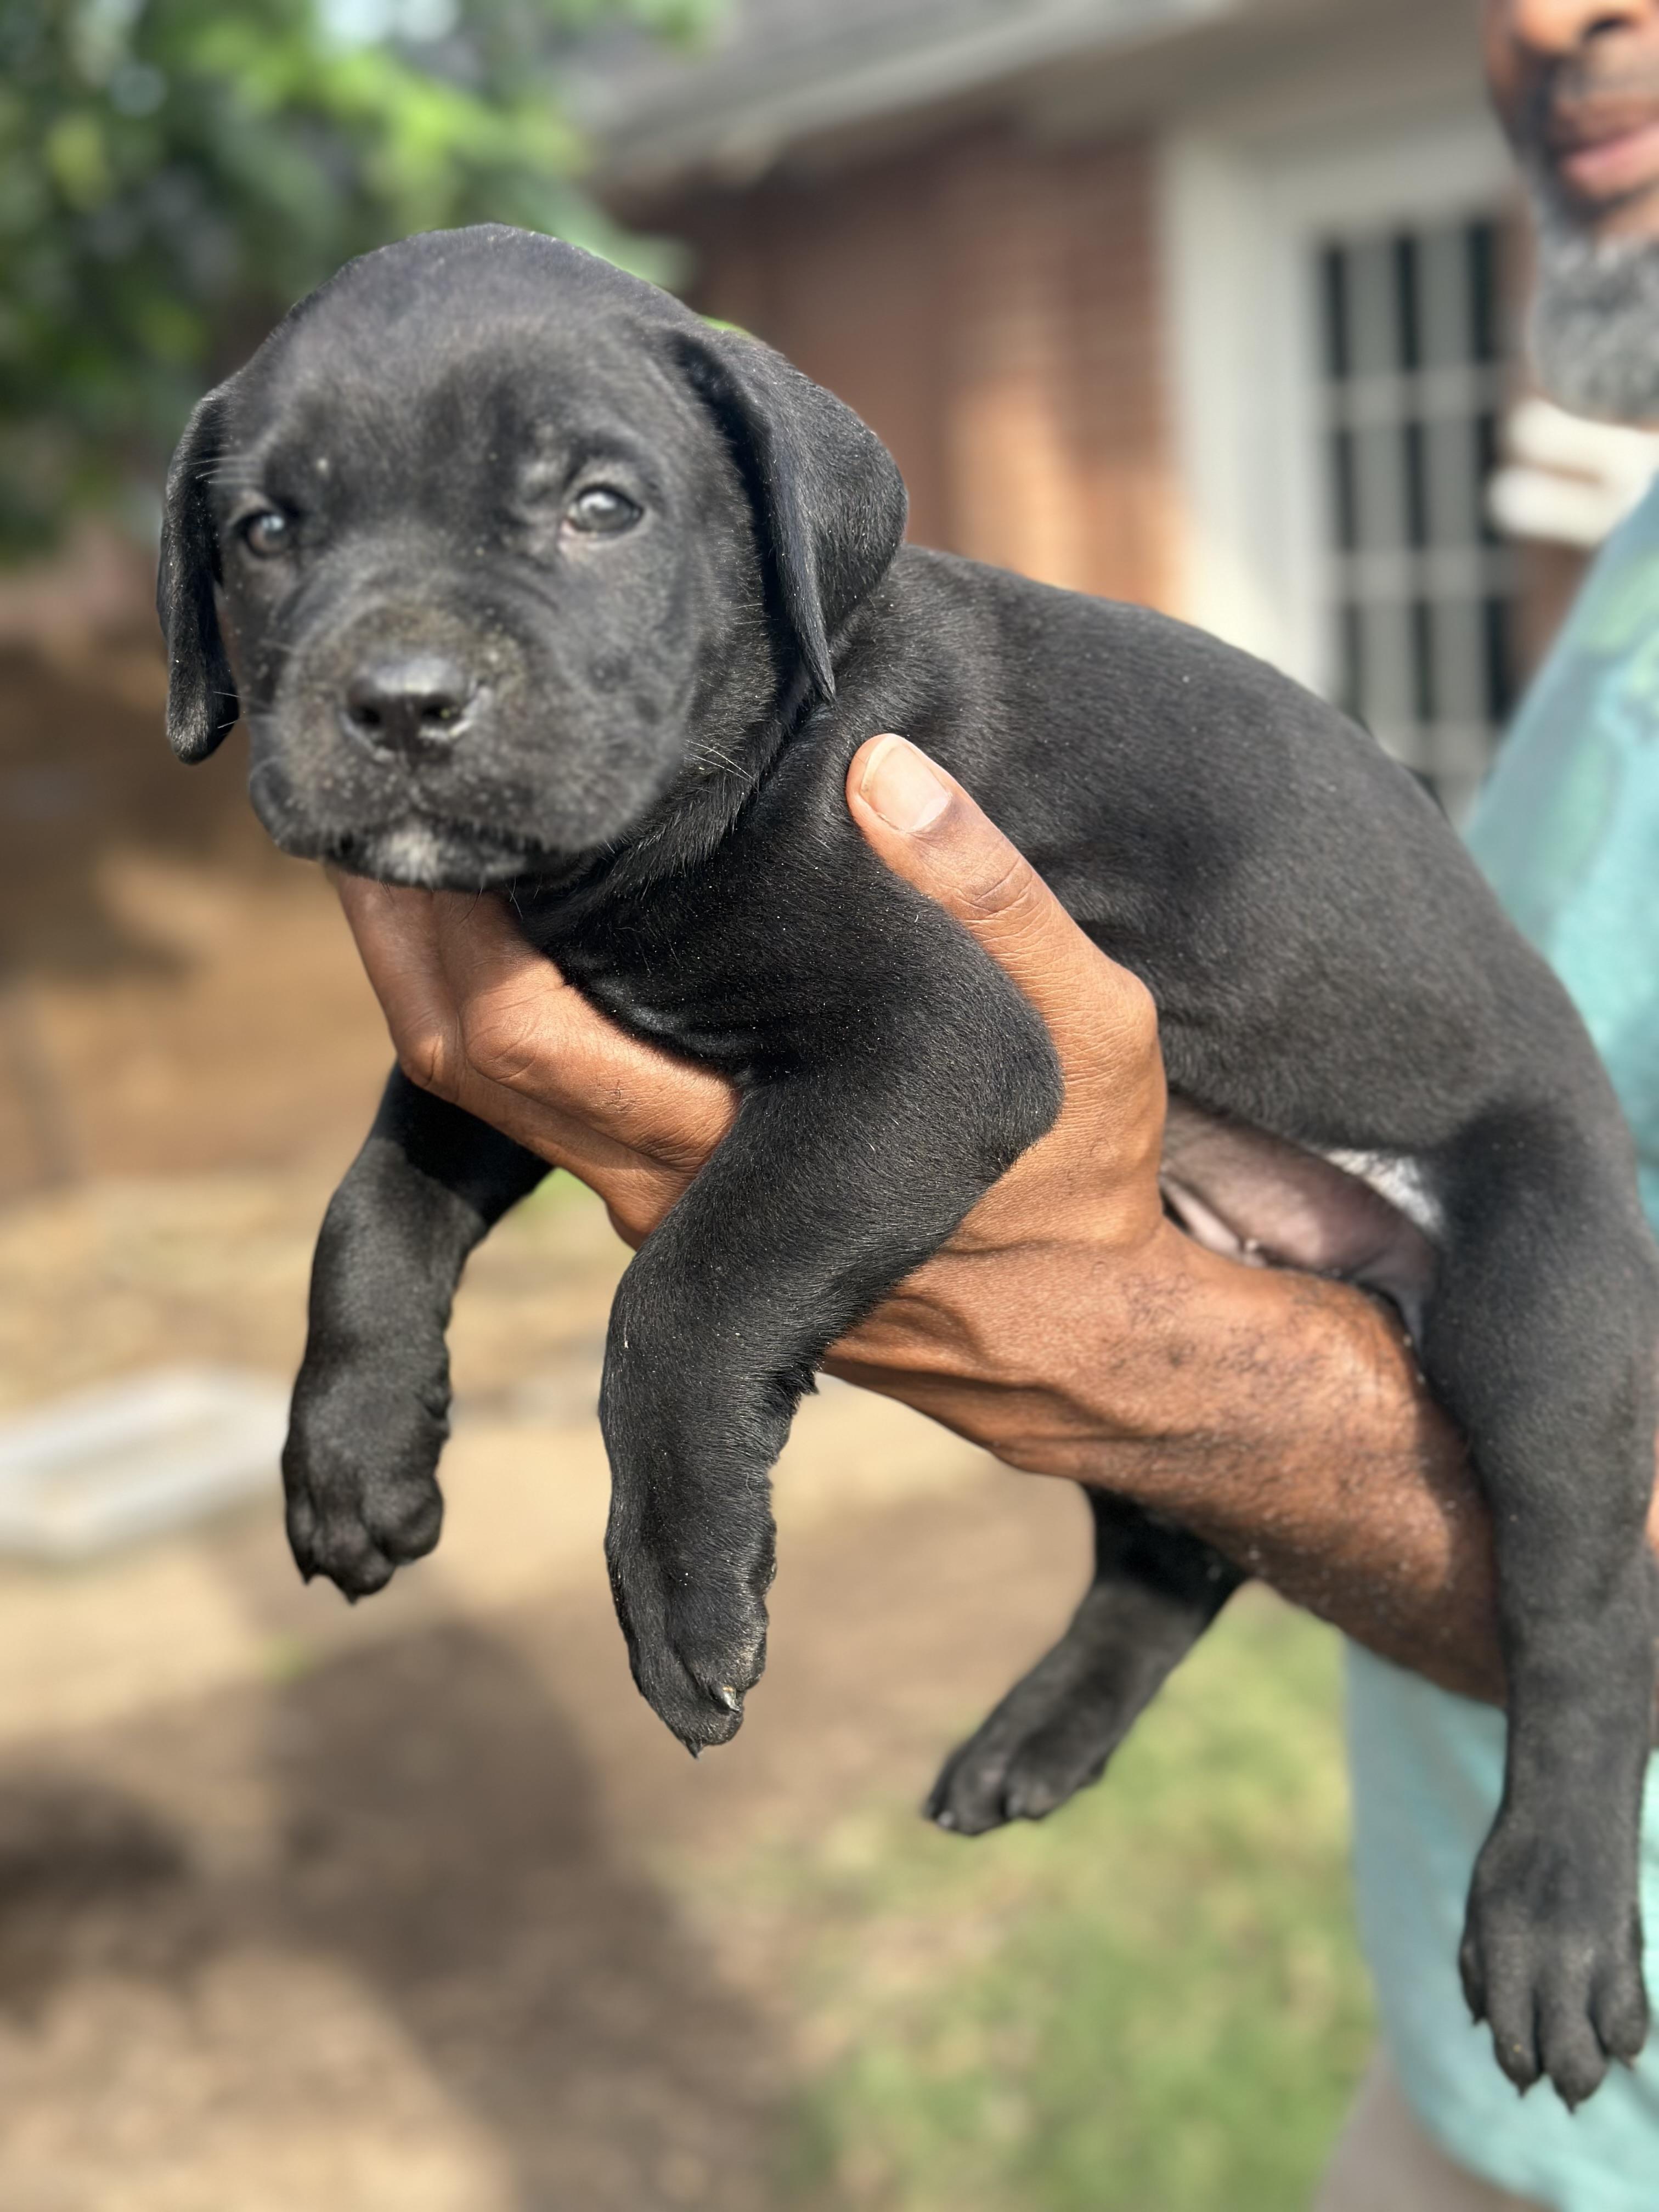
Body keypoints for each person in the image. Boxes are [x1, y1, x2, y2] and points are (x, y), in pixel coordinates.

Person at [329, 3, 1659, 2200]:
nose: (1557, 16)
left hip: (1480, 1243)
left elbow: (957, 1069)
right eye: (280, 532)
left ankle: (1573, 1787)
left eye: (585, 508)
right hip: (1454, 2098)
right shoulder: (1628, 567)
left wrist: (1094, 1357)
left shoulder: (835, 714)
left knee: (1547, 1257)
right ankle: (1144, 1613)